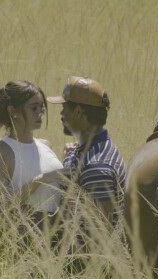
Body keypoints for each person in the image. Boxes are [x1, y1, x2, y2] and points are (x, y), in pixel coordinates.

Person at [0, 80, 69, 224]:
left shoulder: (45, 145)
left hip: (57, 231)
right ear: (13, 111)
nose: (40, 113)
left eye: (41, 107)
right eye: (33, 108)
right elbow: (1, 205)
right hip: (22, 234)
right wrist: (39, 180)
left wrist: (69, 158)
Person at [47, 76, 126, 228]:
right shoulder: (81, 150)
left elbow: (97, 237)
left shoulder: (96, 167)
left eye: (64, 107)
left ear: (78, 112)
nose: (61, 113)